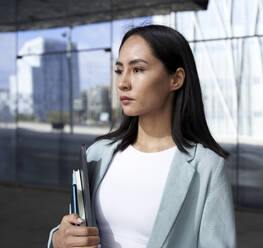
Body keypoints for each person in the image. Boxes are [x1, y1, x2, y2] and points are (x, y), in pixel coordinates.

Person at [47, 24, 236, 248]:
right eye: (119, 70)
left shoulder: (207, 167)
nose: (122, 83)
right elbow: (74, 228)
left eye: (137, 69)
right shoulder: (98, 154)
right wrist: (58, 240)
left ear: (176, 79)